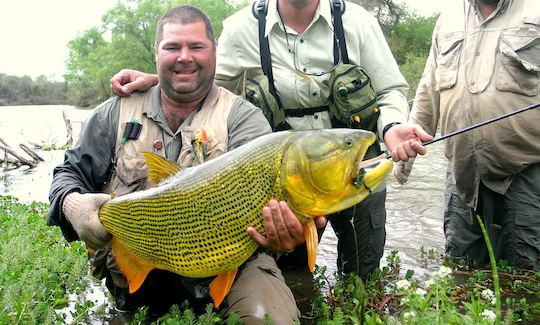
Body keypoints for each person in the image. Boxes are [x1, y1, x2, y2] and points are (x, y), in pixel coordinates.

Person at [110, 0, 429, 281]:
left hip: (356, 167)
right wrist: (158, 82)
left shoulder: (357, 22)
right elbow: (204, 81)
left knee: (362, 275)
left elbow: (390, 91)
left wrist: (392, 127)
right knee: (292, 278)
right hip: (281, 184)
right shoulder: (241, 28)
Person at [48, 5, 325, 323]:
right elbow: (68, 173)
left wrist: (286, 236)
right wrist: (72, 205)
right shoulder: (114, 113)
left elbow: (274, 201)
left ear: (214, 52)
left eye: (196, 47)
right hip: (138, 267)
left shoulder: (243, 119)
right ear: (156, 52)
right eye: (172, 47)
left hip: (231, 269)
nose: (184, 57)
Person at [393, 0, 540, 269]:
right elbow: (429, 88)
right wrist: (406, 156)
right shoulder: (448, 18)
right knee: (460, 272)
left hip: (529, 173)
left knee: (526, 279)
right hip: (461, 174)